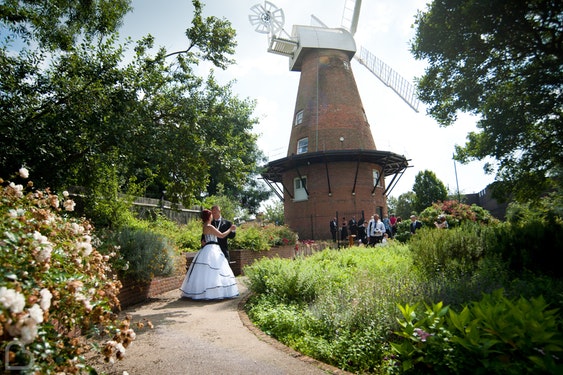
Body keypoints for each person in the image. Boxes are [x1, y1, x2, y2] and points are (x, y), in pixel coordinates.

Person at [180, 209, 239, 300]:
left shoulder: (204, 226)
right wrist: (230, 229)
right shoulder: (210, 226)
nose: (212, 216)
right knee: (215, 271)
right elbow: (222, 235)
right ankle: (214, 293)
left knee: (206, 272)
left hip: (207, 249)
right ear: (209, 217)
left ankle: (204, 292)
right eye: (211, 215)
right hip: (213, 249)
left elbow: (205, 239)